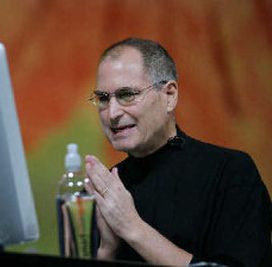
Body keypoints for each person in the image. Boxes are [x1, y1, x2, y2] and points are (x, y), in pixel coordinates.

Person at [84, 37, 272, 267]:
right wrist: (107, 251)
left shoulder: (230, 172)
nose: (112, 112)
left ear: (169, 96)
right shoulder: (111, 185)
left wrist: (132, 228)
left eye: (127, 94)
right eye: (103, 98)